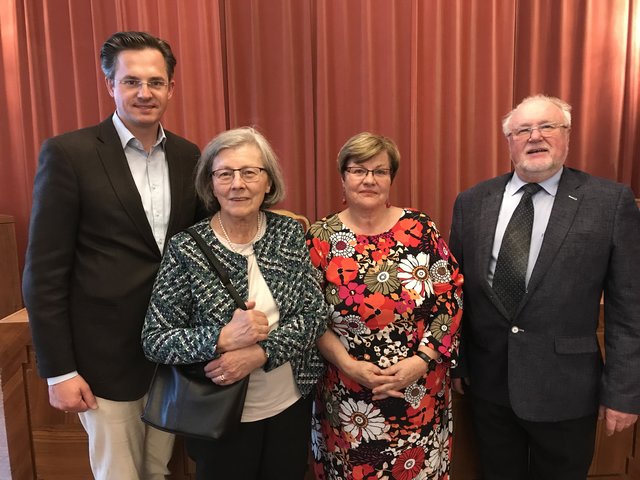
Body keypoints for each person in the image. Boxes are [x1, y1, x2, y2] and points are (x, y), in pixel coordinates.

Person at [22, 31, 202, 479]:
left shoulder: (188, 156)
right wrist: (58, 370)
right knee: (118, 473)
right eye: (131, 81)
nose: (145, 93)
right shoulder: (69, 154)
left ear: (171, 88)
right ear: (110, 85)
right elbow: (43, 272)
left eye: (156, 82)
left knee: (157, 469)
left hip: (171, 354)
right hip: (102, 358)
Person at [450, 94, 640, 479]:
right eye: (522, 130)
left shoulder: (609, 202)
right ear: (509, 141)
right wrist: (460, 363)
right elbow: (456, 294)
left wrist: (623, 392)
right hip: (489, 387)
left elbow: (629, 307)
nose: (534, 137)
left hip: (567, 392)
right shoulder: (472, 202)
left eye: (547, 126)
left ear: (567, 136)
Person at [142, 126, 327, 480]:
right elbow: (155, 339)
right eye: (224, 173)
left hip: (290, 405)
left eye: (249, 172)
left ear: (268, 182)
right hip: (218, 414)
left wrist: (262, 352)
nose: (237, 184)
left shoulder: (288, 234)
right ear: (211, 184)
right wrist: (221, 339)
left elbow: (315, 314)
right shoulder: (187, 248)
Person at [306, 132, 463, 479]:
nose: (369, 179)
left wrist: (421, 361)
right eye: (358, 170)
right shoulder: (320, 237)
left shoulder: (421, 228)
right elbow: (310, 317)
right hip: (346, 394)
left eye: (380, 171)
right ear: (343, 176)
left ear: (391, 177)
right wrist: (349, 365)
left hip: (418, 388)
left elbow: (450, 299)